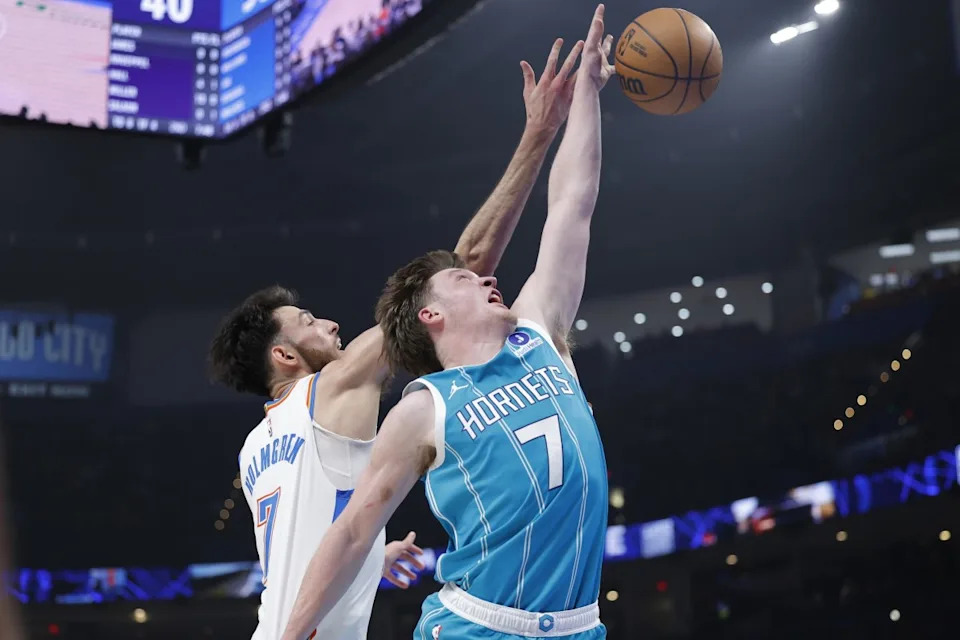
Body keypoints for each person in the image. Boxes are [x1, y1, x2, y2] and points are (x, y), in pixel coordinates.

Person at [208, 35, 585, 640]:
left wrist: (367, 566)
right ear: (283, 356)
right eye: (308, 322)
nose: (330, 324)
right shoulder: (329, 389)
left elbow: (294, 551)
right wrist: (538, 135)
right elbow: (459, 269)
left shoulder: (254, 450)